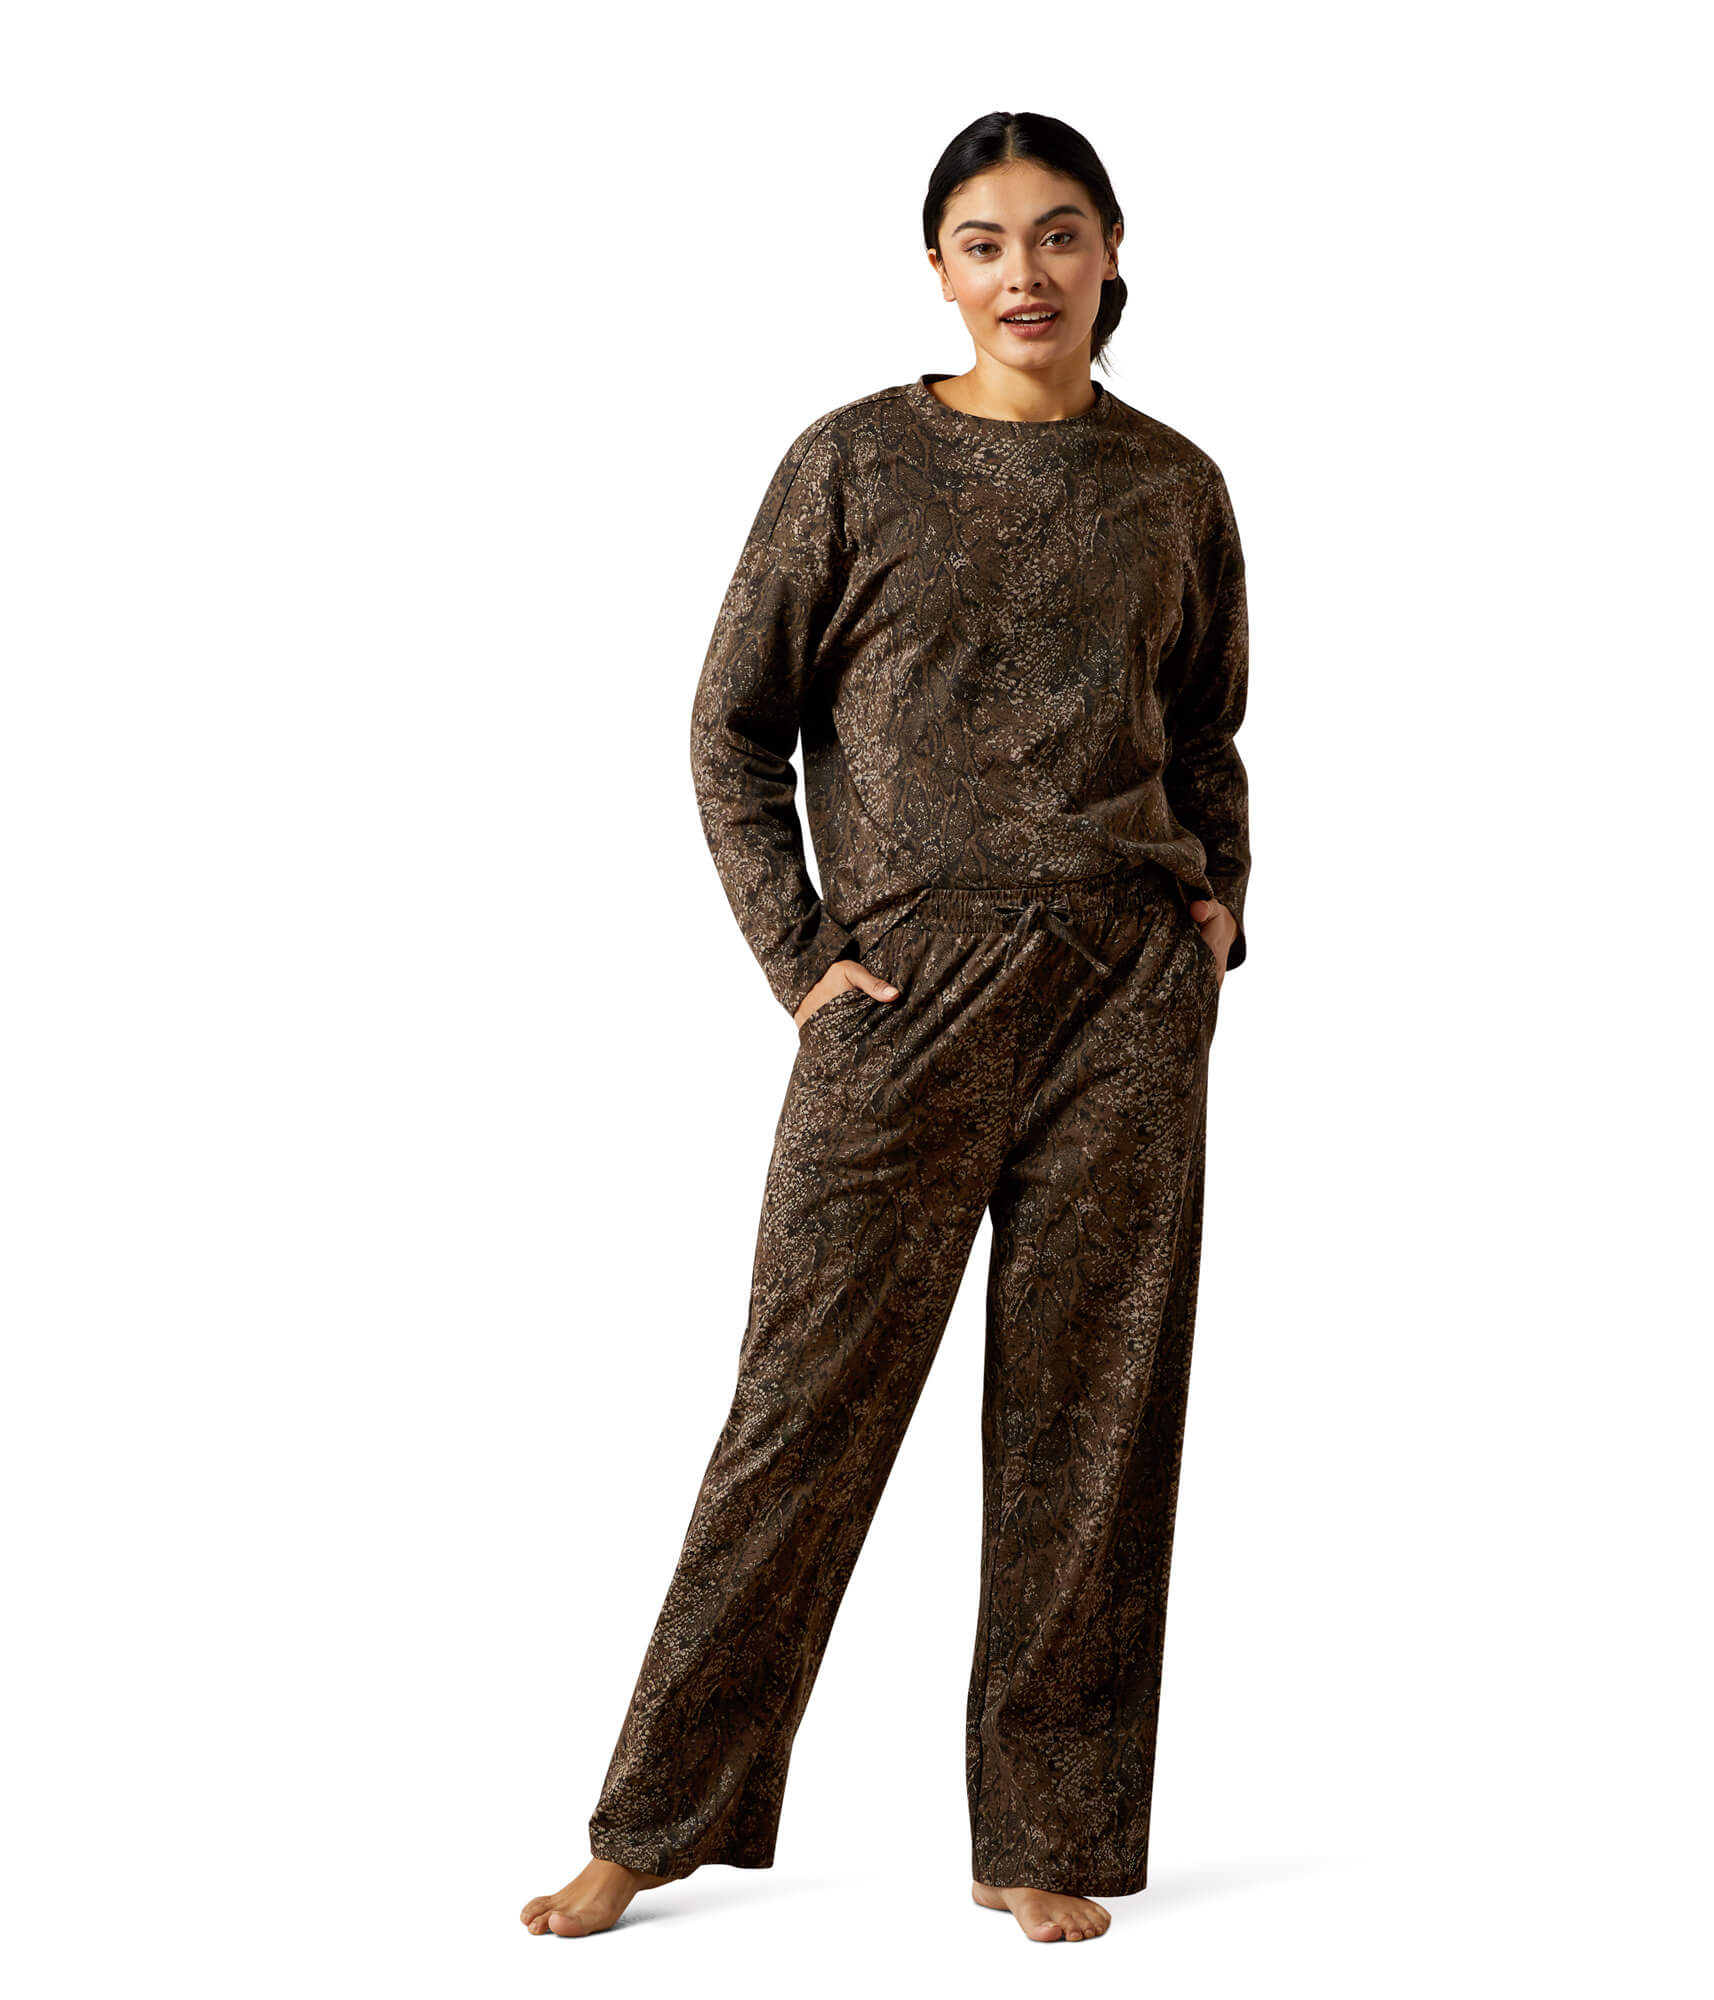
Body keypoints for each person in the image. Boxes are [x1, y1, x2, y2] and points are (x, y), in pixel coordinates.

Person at [521, 109, 1251, 1948]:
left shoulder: (1175, 485)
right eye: (986, 241)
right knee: (803, 1410)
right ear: (938, 268)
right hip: (904, 1000)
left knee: (1092, 1426)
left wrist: (1218, 907)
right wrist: (799, 954)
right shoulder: (853, 463)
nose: (1026, 272)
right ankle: (653, 1820)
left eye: (1060, 234)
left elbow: (1206, 731)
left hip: (1123, 1003)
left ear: (1111, 255)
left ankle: (1043, 1831)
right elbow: (730, 726)